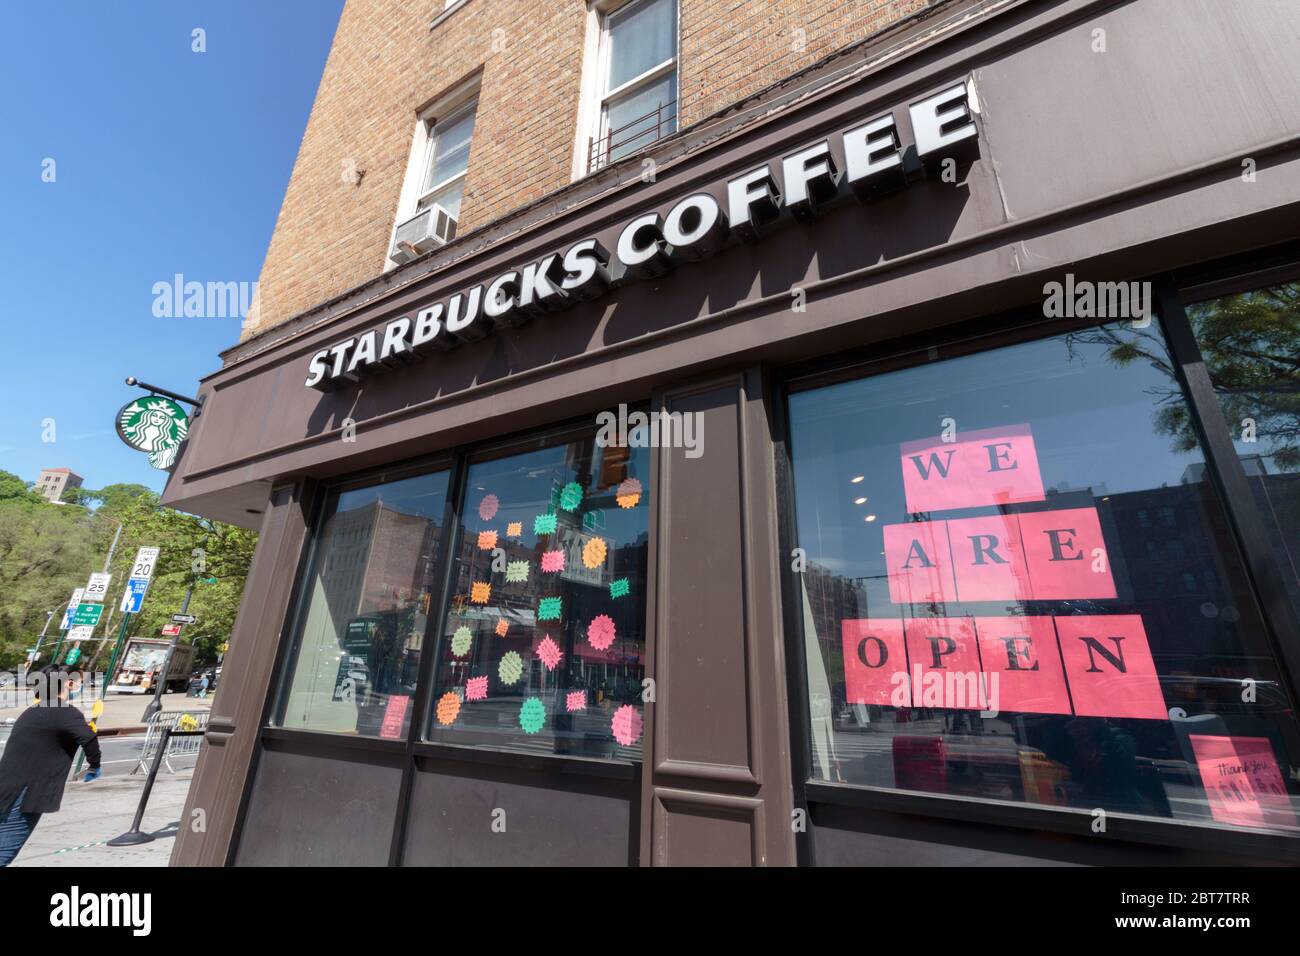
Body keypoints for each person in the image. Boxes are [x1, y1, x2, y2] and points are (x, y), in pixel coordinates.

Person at [0, 666, 102, 867]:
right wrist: (94, 766)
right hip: (26, 791)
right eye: (78, 681)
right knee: (5, 850)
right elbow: (88, 738)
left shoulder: (33, 711)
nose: (81, 686)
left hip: (7, 786)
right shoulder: (64, 711)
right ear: (68, 683)